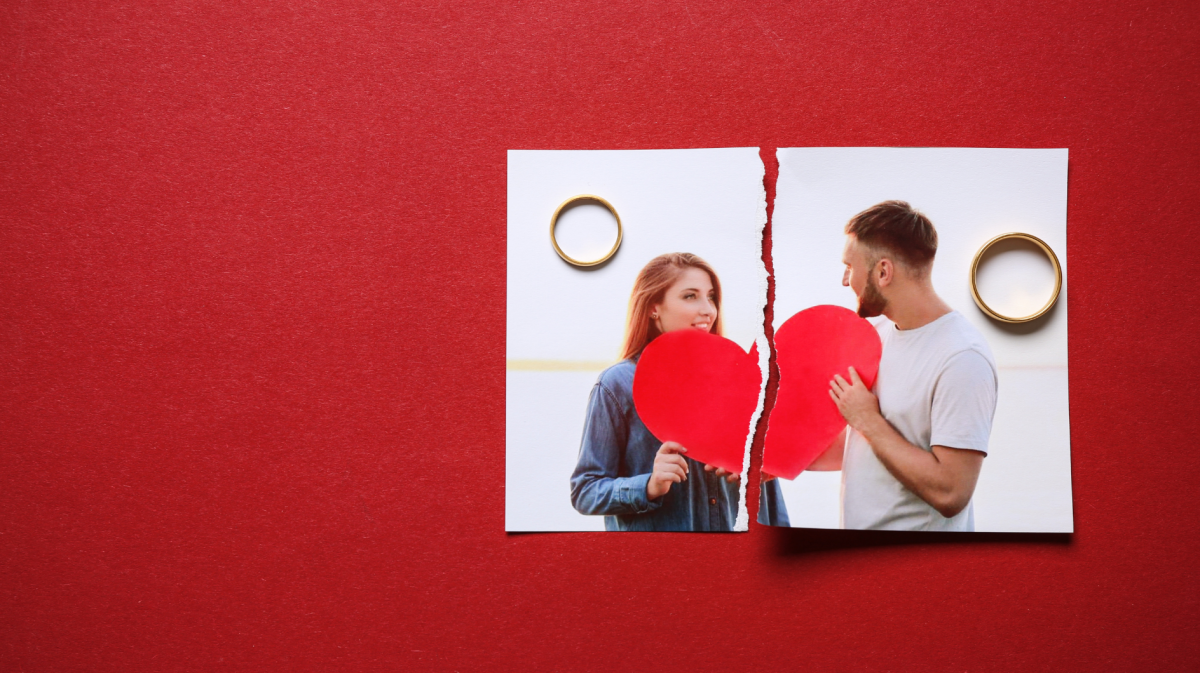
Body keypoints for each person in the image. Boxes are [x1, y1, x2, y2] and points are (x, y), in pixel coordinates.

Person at [569, 253, 789, 531]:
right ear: (653, 307)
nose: (708, 309)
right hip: (664, 564)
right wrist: (649, 485)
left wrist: (767, 466)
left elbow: (770, 495)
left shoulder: (739, 378)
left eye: (711, 297)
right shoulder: (618, 385)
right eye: (690, 296)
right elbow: (585, 492)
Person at [818, 201, 998, 531]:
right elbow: (863, 445)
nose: (845, 281)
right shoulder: (876, 337)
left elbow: (951, 492)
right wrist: (771, 463)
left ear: (883, 272)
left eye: (850, 266)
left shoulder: (962, 359)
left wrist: (866, 418)